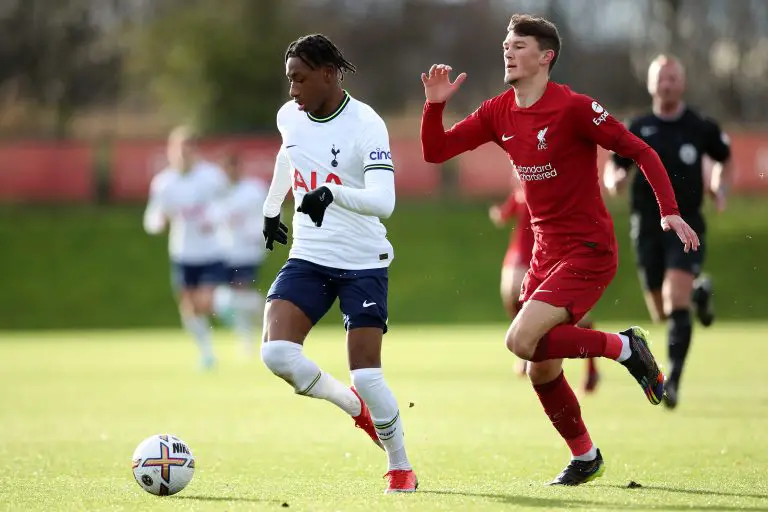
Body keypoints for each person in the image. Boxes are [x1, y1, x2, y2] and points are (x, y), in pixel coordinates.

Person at [420, 14, 699, 485]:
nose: (507, 51)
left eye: (520, 45)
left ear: (546, 56)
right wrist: (433, 107)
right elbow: (435, 152)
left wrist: (668, 210)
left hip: (589, 249)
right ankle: (586, 456)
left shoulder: (574, 107)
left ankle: (622, 347)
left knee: (518, 342)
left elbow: (640, 151)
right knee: (540, 368)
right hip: (544, 256)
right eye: (506, 44)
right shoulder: (498, 111)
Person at [259, 34, 417, 494]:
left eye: (300, 79)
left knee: (367, 375)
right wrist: (272, 209)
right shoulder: (290, 116)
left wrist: (332, 193)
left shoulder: (366, 124)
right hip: (309, 255)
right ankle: (354, 410)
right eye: (289, 80)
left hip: (363, 261)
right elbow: (287, 158)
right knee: (276, 352)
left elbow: (384, 202)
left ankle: (400, 464)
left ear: (329, 74)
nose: (292, 91)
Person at [603, 54, 732, 409]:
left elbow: (723, 157)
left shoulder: (699, 126)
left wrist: (719, 186)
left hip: (686, 226)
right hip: (645, 229)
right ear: (650, 84)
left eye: (673, 77)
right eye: (661, 77)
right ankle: (699, 294)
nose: (667, 83)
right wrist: (614, 179)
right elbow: (614, 165)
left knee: (675, 302)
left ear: (683, 83)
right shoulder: (637, 126)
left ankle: (673, 380)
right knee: (661, 312)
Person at [490, 183, 600, 393]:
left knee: (576, 319)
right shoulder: (519, 193)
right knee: (512, 292)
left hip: (549, 258)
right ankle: (527, 349)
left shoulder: (551, 190)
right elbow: (504, 215)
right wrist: (498, 214)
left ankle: (594, 367)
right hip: (523, 257)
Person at [143, 126, 228, 370]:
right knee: (189, 308)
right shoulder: (163, 183)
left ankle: (235, 309)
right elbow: (153, 215)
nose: (182, 154)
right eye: (177, 149)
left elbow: (226, 204)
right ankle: (207, 353)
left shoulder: (211, 176)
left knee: (205, 303)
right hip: (182, 252)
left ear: (195, 150)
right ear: (170, 151)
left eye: (187, 148)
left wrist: (212, 219)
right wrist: (157, 223)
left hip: (211, 250)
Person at [212, 152, 269, 357]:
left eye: (234, 167)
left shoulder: (253, 190)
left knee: (239, 293)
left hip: (247, 252)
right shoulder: (217, 193)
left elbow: (268, 215)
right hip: (223, 252)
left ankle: (253, 335)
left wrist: (258, 235)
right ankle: (258, 320)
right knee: (227, 299)